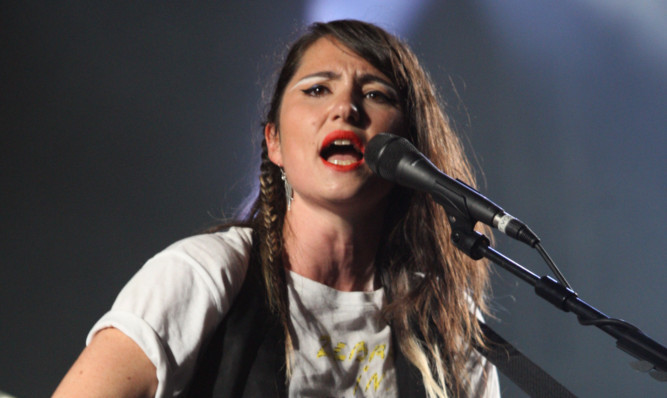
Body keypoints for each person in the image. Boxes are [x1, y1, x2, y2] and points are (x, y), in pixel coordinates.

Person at [54, 19, 499, 397]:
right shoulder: (206, 274)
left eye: (377, 95)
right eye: (318, 89)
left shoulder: (445, 320)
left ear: (410, 146)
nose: (344, 108)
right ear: (275, 143)